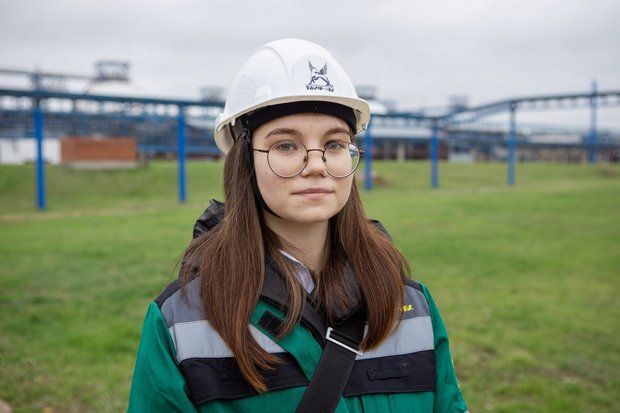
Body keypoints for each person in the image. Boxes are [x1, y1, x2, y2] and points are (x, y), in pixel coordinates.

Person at [127, 38, 468, 413]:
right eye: (286, 146)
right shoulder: (181, 322)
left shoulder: (412, 306)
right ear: (245, 161)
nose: (317, 165)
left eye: (334, 144)